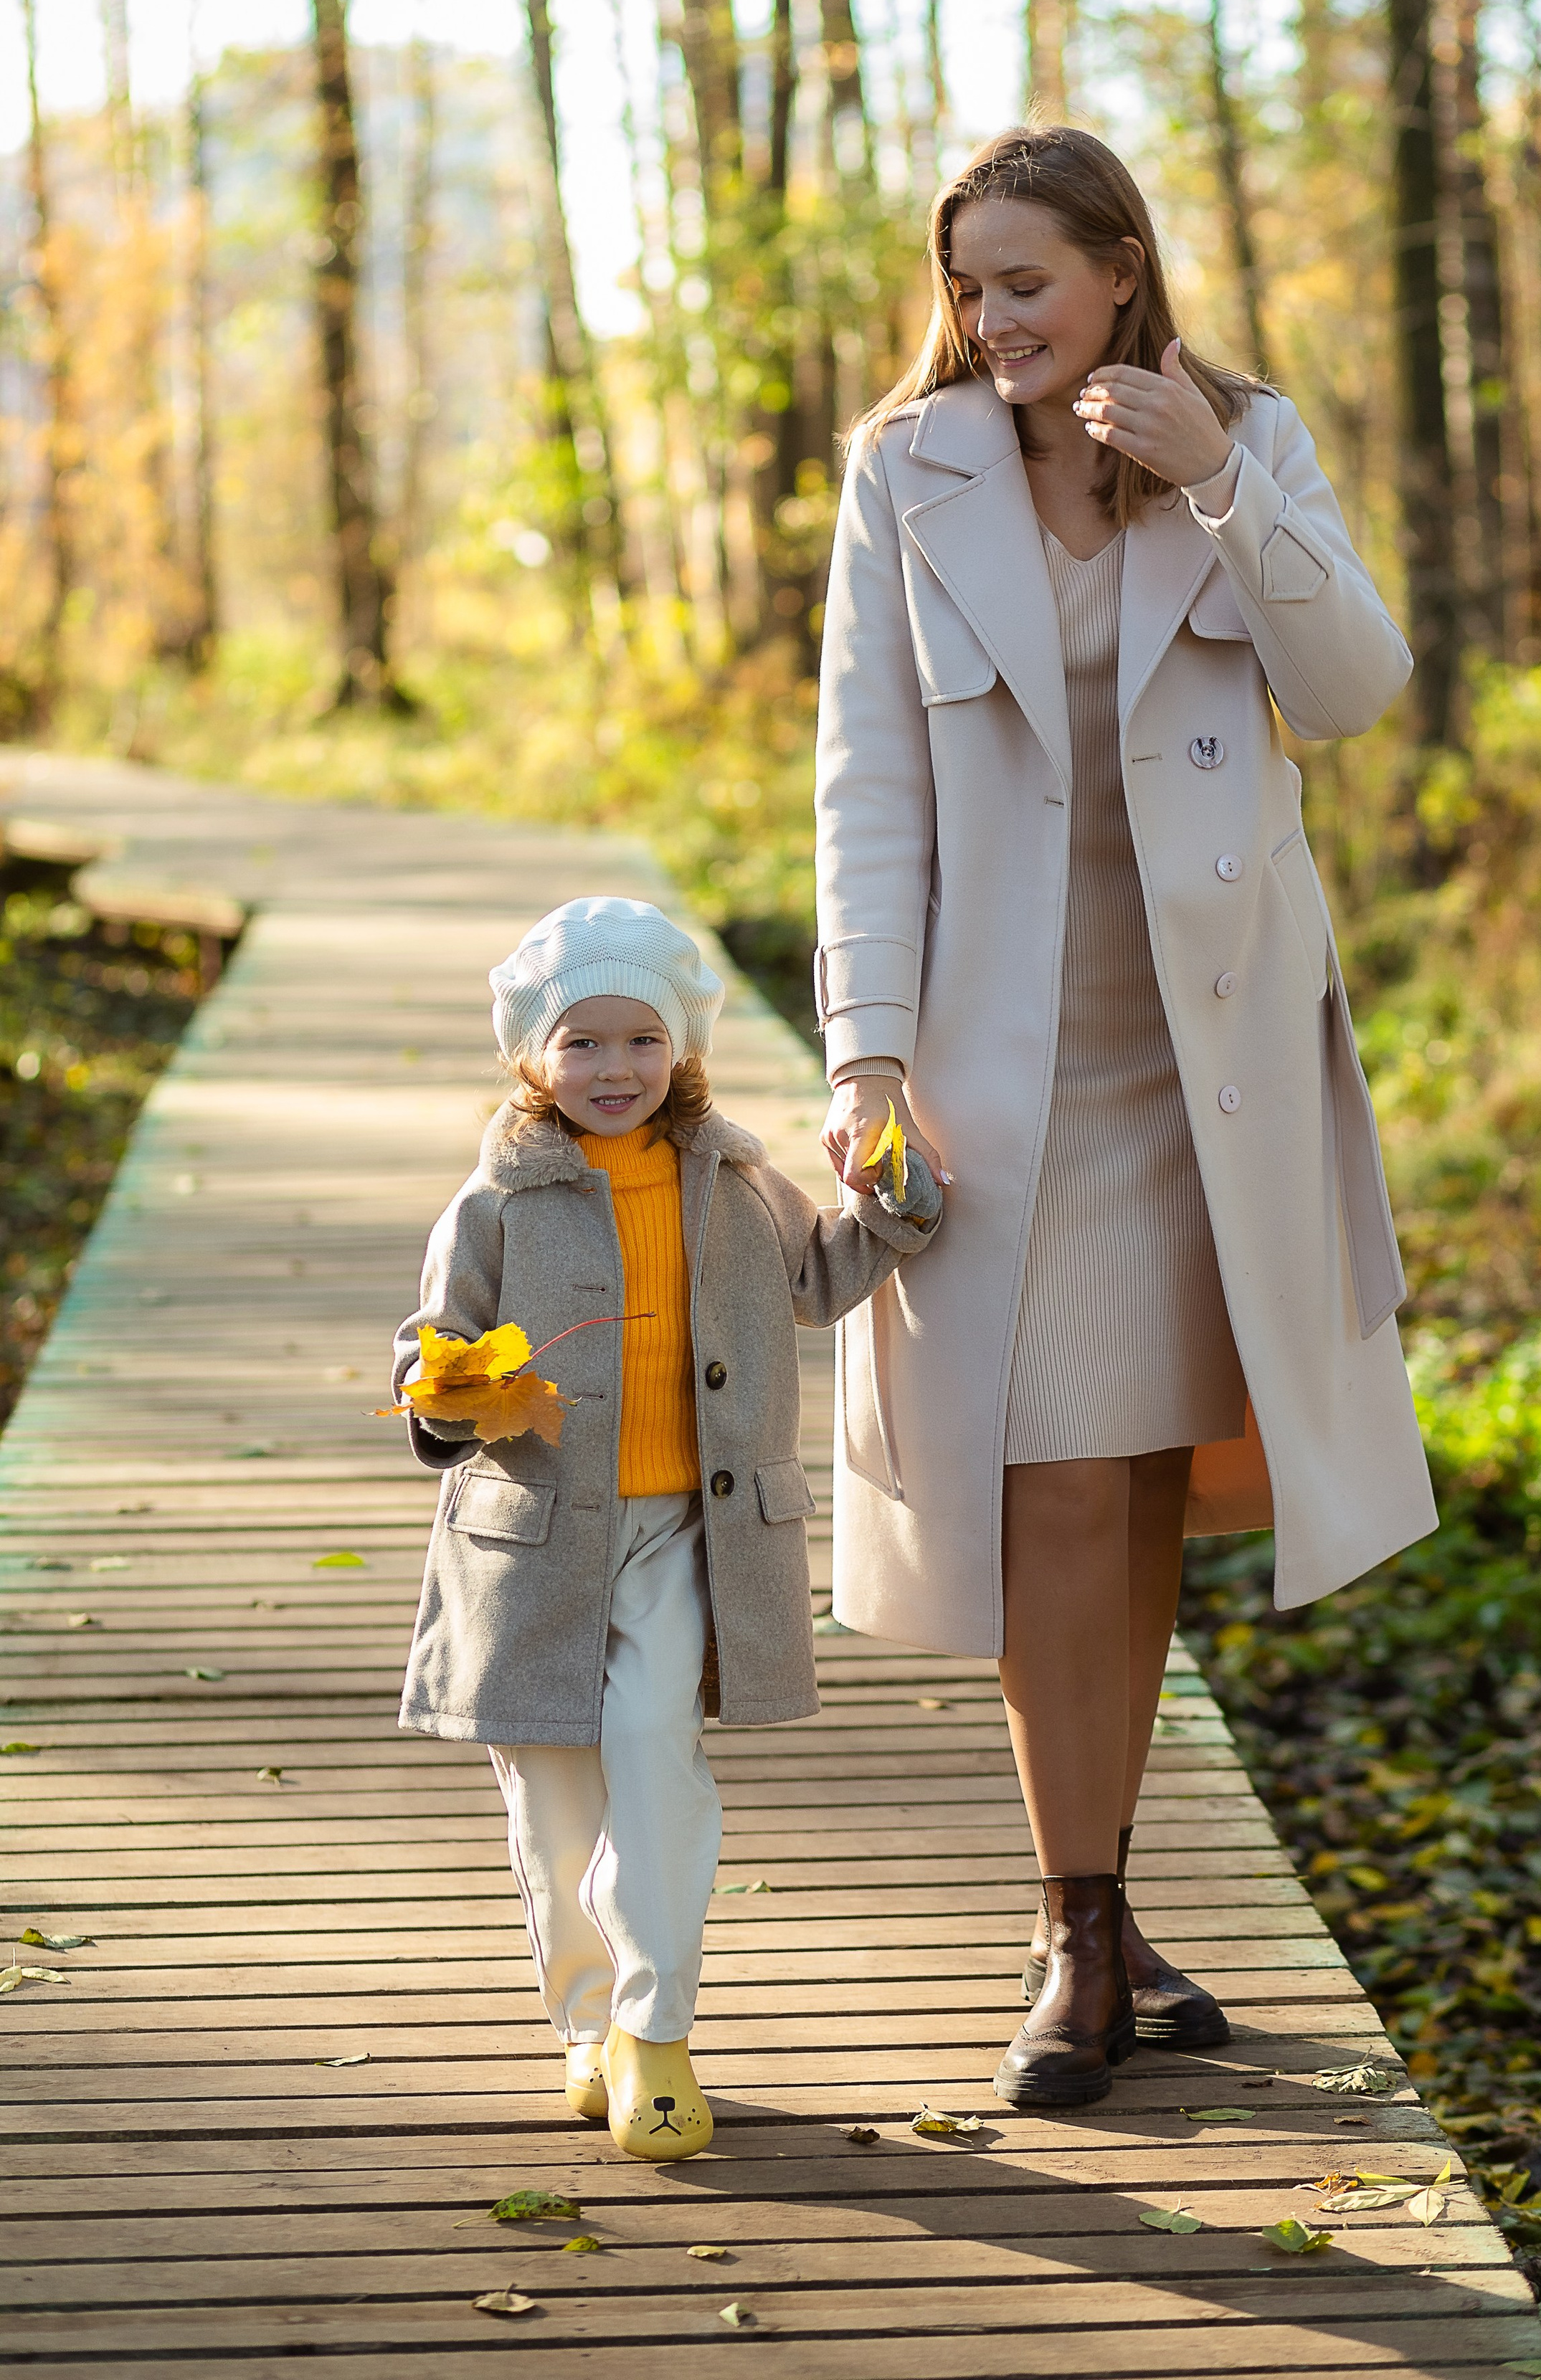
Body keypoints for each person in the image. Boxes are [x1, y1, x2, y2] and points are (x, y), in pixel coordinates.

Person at [813, 125, 1436, 2110]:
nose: (986, 320)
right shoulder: (901, 472)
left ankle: (1099, 1888)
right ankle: (1077, 1928)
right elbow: (866, 785)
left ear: (1119, 273)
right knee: (1057, 1483)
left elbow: (1349, 686)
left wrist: (1221, 486)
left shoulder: (1245, 439)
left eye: (1022, 282)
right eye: (965, 286)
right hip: (1009, 1063)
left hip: (1212, 1056)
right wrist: (867, 1052)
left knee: (1148, 1483)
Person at [390, 896, 940, 2159]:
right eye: (582, 1043)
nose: (614, 1070)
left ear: (683, 1048)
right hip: (533, 1538)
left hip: (686, 1529)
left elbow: (823, 1275)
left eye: (642, 1041)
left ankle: (655, 2027)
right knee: (556, 1801)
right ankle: (585, 2024)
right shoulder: (501, 1196)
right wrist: (446, 1381)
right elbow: (438, 1333)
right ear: (533, 1055)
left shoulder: (734, 1179)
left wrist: (897, 1191)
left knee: (657, 1764)